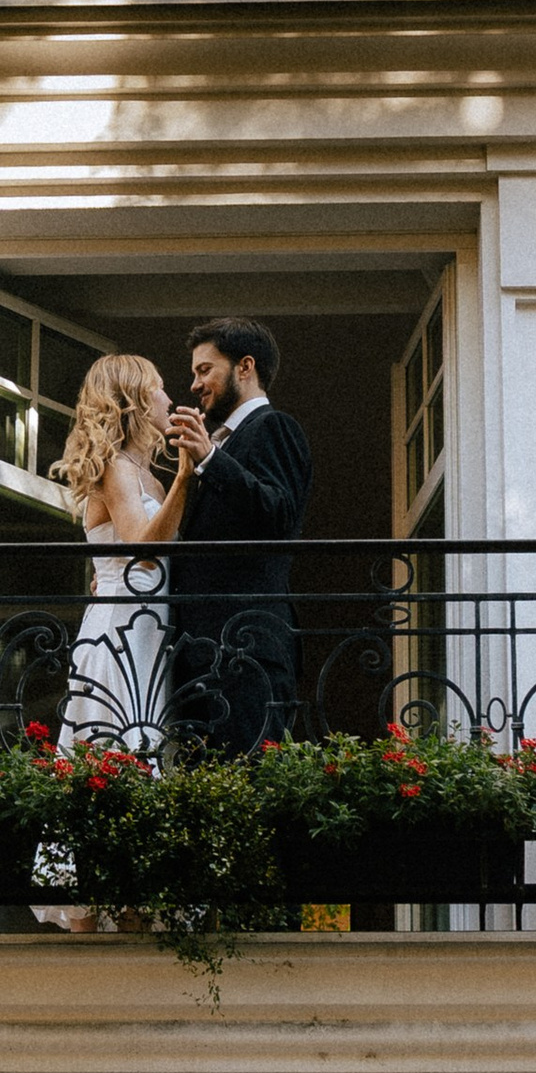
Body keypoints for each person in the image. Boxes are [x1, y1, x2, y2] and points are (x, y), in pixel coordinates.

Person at [165, 315, 314, 754]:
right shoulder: (219, 445)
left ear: (245, 367)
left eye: (204, 369)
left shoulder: (274, 427)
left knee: (247, 787)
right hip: (202, 655)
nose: (194, 384)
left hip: (247, 650)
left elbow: (279, 514)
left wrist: (212, 459)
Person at [49, 349, 191, 751]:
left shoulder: (149, 478)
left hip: (149, 630)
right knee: (116, 755)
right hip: (118, 633)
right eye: (158, 389)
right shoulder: (116, 467)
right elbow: (141, 552)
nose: (169, 399)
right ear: (136, 400)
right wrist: (184, 476)